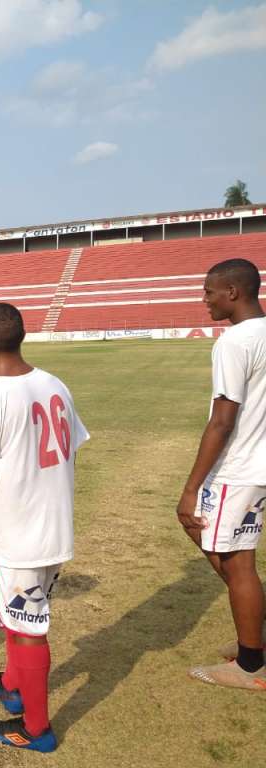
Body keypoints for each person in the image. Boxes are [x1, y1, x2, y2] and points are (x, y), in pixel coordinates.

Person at [0, 303, 89, 752]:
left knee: (29, 628)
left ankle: (37, 728)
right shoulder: (55, 383)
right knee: (20, 616)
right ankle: (13, 686)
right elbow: (72, 446)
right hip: (52, 524)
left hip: (19, 533)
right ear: (21, 337)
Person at [176, 258, 266, 690]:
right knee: (223, 546)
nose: (204, 299)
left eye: (210, 291)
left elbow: (222, 420)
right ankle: (254, 637)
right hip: (258, 464)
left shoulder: (234, 342)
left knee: (236, 560)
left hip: (240, 466)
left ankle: (251, 665)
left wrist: (192, 486)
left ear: (233, 292)